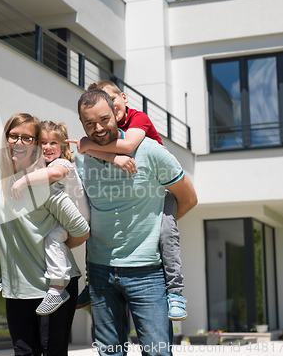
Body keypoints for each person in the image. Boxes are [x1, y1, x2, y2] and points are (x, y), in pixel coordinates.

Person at [74, 90, 197, 355]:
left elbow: (188, 198)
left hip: (147, 272)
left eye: (104, 119)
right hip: (99, 271)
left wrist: (157, 228)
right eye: (89, 123)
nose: (98, 128)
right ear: (82, 124)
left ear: (116, 113)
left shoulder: (152, 152)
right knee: (110, 353)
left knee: (157, 352)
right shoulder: (81, 158)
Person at [0, 113, 90, 355]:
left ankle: (57, 284)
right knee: (23, 351)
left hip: (49, 283)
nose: (19, 142)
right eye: (14, 136)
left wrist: (60, 245)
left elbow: (81, 230)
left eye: (28, 138)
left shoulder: (48, 179)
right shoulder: (0, 177)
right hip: (17, 283)